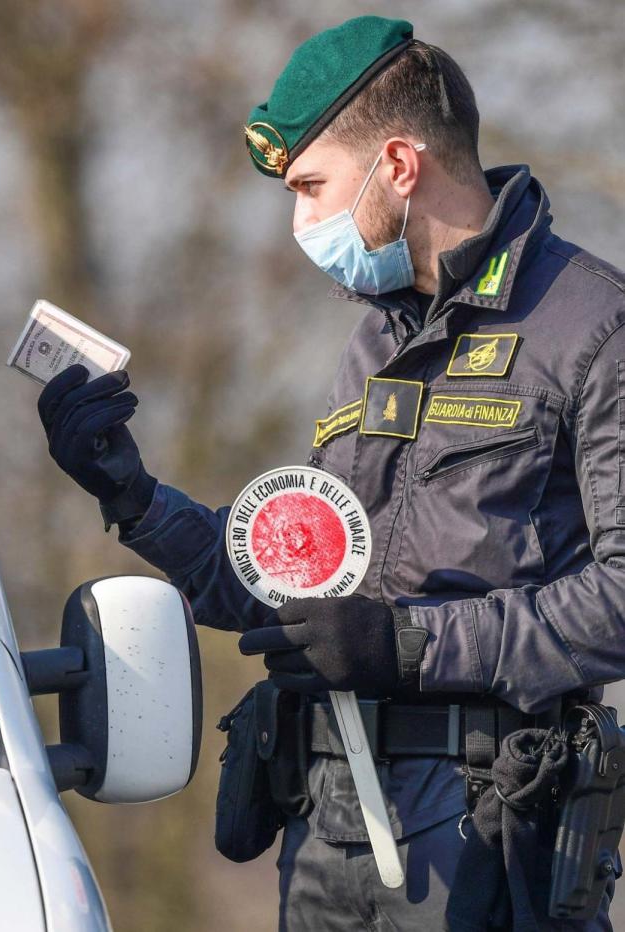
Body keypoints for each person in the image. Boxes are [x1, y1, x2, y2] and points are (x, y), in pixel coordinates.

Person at [37, 15, 624, 929]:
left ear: (397, 164)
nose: (301, 221)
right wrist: (133, 494)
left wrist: (413, 645)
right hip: (324, 816)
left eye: (312, 187)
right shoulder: (372, 340)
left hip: (485, 833)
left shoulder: (593, 327)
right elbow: (296, 586)